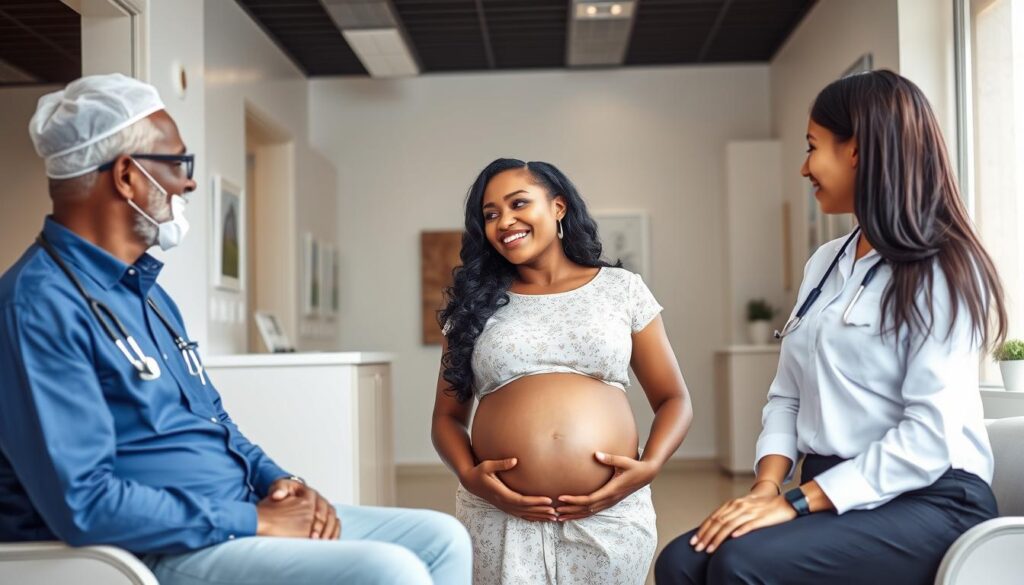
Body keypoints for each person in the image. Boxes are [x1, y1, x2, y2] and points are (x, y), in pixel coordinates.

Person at [0, 73, 471, 585]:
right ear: (127, 177)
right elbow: (84, 502)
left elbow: (215, 421)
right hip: (157, 547)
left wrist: (280, 482)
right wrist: (255, 520)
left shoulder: (150, 295)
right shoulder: (38, 306)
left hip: (236, 512)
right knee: (388, 570)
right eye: (180, 163)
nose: (190, 182)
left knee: (440, 538)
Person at [655, 69, 1007, 585]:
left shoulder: (942, 266)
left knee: (739, 565)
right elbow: (786, 398)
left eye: (812, 146)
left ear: (858, 150)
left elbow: (929, 439)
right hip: (831, 490)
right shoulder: (825, 262)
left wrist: (797, 504)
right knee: (682, 561)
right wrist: (767, 489)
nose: (803, 168)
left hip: (929, 497)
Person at [431, 158, 693, 584]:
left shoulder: (621, 289)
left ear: (558, 207)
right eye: (491, 214)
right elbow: (446, 419)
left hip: (609, 514)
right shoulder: (473, 304)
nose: (504, 221)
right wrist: (470, 477)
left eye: (518, 203)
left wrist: (651, 466)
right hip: (499, 517)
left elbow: (674, 399)